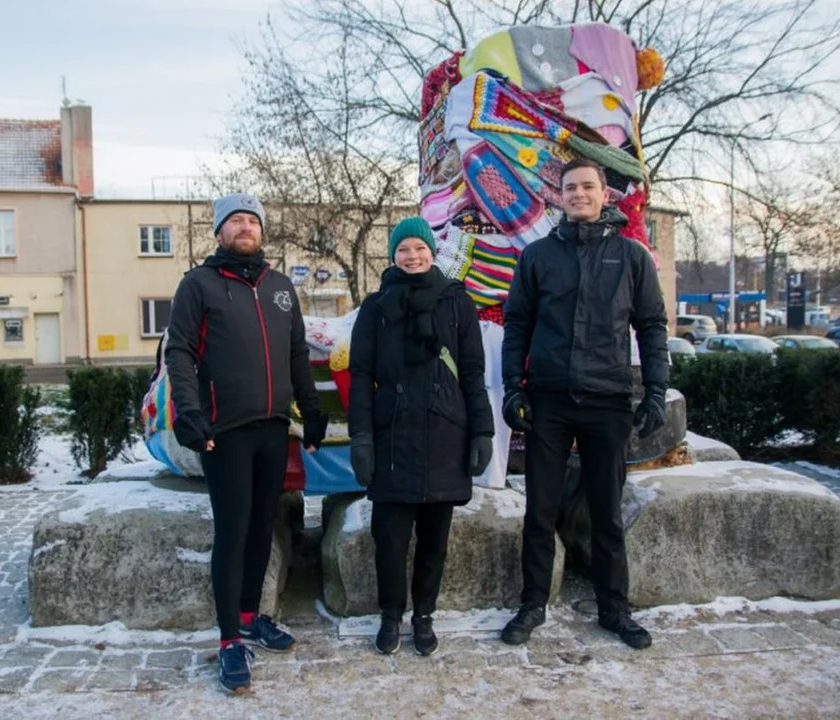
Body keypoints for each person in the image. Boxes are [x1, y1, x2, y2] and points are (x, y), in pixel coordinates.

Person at [500, 158, 669, 650]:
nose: (578, 194)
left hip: (607, 400)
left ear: (604, 194)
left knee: (606, 514)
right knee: (540, 511)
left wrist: (655, 390)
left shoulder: (631, 256)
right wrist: (514, 386)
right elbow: (518, 326)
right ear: (560, 195)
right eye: (570, 187)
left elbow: (652, 327)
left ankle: (615, 608)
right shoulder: (537, 257)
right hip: (549, 401)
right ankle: (533, 604)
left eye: (588, 187)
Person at [165, 193, 328, 694]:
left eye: (252, 220)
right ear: (219, 232)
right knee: (233, 531)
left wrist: (311, 408)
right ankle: (229, 640)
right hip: (225, 431)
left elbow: (297, 352)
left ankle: (250, 615)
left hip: (273, 428)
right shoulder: (199, 285)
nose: (244, 227)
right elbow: (181, 351)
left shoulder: (280, 288)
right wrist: (190, 414)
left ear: (262, 231)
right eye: (235, 220)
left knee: (263, 525)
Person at [348, 216, 494, 657]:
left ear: (432, 252)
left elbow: (472, 371)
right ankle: (391, 615)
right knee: (389, 542)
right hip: (392, 436)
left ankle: (424, 616)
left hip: (444, 434)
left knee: (434, 541)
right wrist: (361, 439)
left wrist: (482, 431)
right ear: (393, 255)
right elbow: (360, 376)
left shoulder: (456, 302)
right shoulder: (375, 309)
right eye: (404, 249)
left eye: (420, 248)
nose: (413, 256)